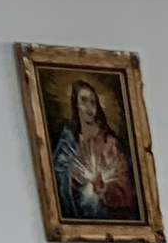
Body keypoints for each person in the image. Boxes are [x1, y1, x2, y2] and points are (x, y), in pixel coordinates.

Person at [51, 79, 137, 222]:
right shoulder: (68, 140)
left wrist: (107, 190)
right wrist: (73, 179)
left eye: (93, 102)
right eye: (84, 101)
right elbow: (56, 175)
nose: (89, 107)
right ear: (75, 104)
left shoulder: (109, 142)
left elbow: (125, 184)